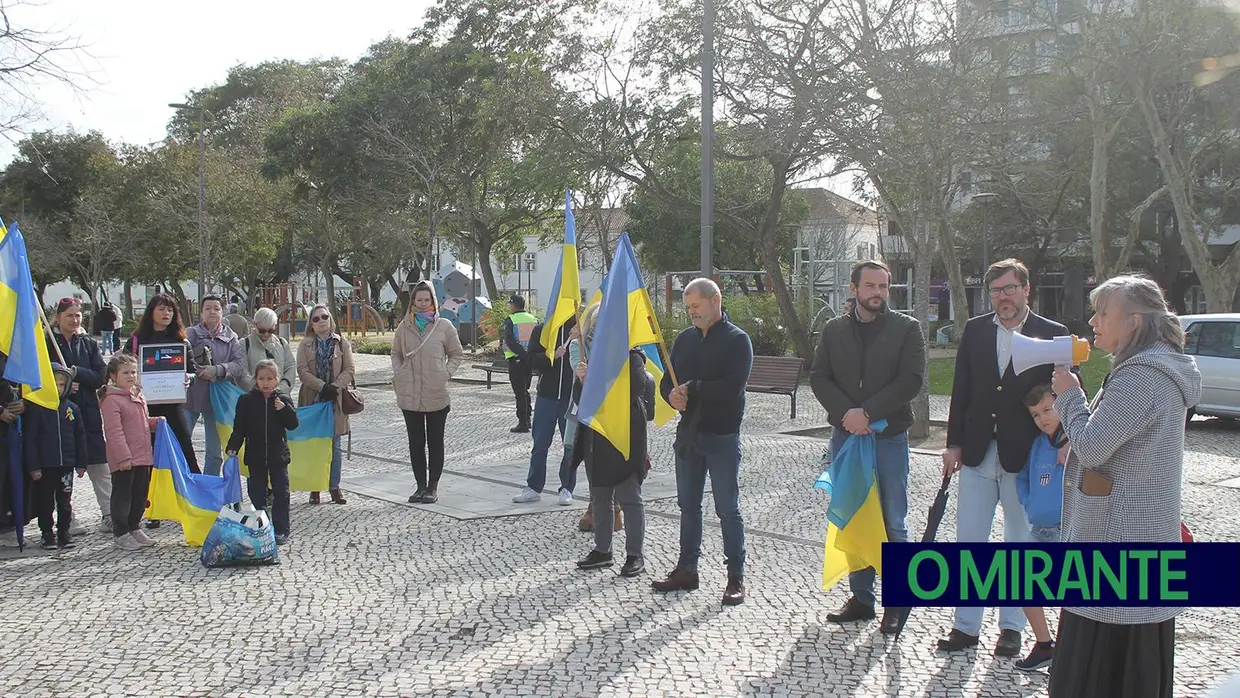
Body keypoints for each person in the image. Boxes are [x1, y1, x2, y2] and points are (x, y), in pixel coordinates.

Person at [1047, 275, 1200, 698]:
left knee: (1101, 675)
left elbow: (1094, 446)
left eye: (1102, 313)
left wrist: (1070, 398)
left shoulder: (1143, 377)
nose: (1093, 321)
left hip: (1117, 544)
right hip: (1131, 542)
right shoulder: (1149, 368)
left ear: (1133, 321)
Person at [938, 258, 1071, 656]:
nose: (1003, 297)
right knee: (970, 543)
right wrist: (954, 442)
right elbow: (961, 388)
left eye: (1010, 288)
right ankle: (966, 627)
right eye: (996, 290)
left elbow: (1066, 393)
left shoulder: (1052, 334)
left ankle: (1011, 628)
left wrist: (1066, 439)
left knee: (1018, 546)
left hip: (1028, 458)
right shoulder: (976, 330)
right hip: (978, 452)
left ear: (1026, 289)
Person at [810, 260, 925, 633]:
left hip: (888, 436)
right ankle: (861, 598)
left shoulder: (907, 329)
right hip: (846, 435)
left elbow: (911, 381)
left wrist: (869, 412)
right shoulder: (833, 330)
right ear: (854, 289)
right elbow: (819, 376)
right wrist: (847, 413)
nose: (878, 293)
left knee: (893, 519)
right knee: (854, 512)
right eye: (871, 286)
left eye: (884, 286)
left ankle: (897, 601)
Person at [653, 278, 752, 606]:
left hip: (722, 436)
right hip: (689, 436)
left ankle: (735, 576)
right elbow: (670, 378)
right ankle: (687, 569)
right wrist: (671, 395)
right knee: (688, 507)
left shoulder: (738, 341)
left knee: (727, 508)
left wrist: (693, 388)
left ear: (715, 301)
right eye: (688, 307)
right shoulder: (684, 340)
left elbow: (732, 387)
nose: (691, 312)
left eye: (696, 306)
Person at [574, 303, 654, 578]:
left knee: (629, 498)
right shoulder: (591, 360)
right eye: (595, 327)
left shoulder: (633, 358)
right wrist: (581, 381)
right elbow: (580, 402)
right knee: (600, 496)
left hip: (624, 437)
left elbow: (628, 394)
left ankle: (634, 554)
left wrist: (595, 383)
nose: (598, 332)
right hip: (597, 437)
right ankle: (602, 550)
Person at [125, 293, 198, 528]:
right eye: (161, 309)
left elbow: (194, 371)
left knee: (186, 451)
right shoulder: (136, 340)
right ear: (151, 312)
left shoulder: (182, 341)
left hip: (174, 405)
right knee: (149, 459)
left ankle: (198, 502)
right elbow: (122, 370)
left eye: (170, 310)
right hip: (144, 408)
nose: (166, 314)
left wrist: (189, 378)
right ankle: (151, 510)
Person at [392, 281, 463, 505]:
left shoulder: (444, 326)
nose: (423, 304)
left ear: (433, 301)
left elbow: (456, 354)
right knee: (415, 442)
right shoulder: (404, 327)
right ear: (412, 301)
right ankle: (420, 486)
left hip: (435, 392)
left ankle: (433, 486)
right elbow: (395, 353)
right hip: (410, 394)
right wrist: (400, 372)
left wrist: (445, 374)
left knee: (435, 441)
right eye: (419, 300)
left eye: (427, 299)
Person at [1013, 383, 1066, 672]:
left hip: (1066, 529)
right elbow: (1022, 478)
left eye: (1047, 409)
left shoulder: (1077, 440)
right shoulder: (1037, 445)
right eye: (1035, 415)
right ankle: (1044, 644)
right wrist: (1030, 500)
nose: (1043, 418)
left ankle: (1071, 650)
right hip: (1040, 529)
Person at [49, 297, 111, 535]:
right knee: (62, 466)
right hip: (59, 414)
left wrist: (76, 374)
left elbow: (100, 375)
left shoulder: (87, 343)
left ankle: (108, 513)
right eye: (69, 315)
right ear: (58, 317)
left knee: (99, 464)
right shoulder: (47, 342)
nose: (74, 320)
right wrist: (62, 383)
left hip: (88, 411)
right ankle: (67, 517)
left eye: (78, 315)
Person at [226, 359, 300, 545]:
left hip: (278, 455)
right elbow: (239, 427)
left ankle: (281, 529)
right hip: (256, 454)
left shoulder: (282, 399)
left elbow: (293, 424)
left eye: (269, 378)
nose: (265, 383)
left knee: (281, 493)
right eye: (261, 379)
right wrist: (233, 446)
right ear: (256, 380)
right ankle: (260, 526)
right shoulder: (246, 401)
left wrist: (284, 410)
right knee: (256, 493)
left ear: (276, 380)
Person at [98, 353, 162, 551]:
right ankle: (121, 532)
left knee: (139, 496)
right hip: (125, 460)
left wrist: (155, 423)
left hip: (143, 456)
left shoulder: (138, 395)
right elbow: (114, 432)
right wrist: (124, 457)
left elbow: (142, 423)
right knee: (123, 496)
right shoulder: (111, 400)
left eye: (134, 372)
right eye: (125, 372)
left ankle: (134, 526)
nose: (131, 376)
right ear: (113, 376)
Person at [512, 315, 578, 505]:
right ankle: (533, 487)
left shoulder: (582, 330)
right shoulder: (542, 330)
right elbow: (531, 360)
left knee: (570, 447)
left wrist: (579, 341)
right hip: (546, 397)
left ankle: (567, 488)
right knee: (540, 444)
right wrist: (552, 356)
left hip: (571, 398)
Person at [297, 303, 355, 505]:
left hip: (335, 400)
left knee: (334, 444)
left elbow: (349, 369)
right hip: (313, 400)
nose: (321, 321)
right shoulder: (304, 345)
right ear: (311, 324)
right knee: (315, 444)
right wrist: (322, 387)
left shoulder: (342, 343)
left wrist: (335, 387)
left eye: (324, 317)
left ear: (330, 320)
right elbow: (302, 372)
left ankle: (334, 486)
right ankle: (315, 488)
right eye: (316, 319)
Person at [23, 363, 86, 550]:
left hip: (66, 465)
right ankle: (47, 534)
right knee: (45, 502)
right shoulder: (37, 410)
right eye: (54, 384)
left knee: (65, 503)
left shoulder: (72, 409)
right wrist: (33, 466)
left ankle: (64, 532)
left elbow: (80, 437)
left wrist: (81, 463)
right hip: (45, 466)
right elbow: (30, 440)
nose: (58, 388)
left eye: (61, 384)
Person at [185, 294, 246, 476]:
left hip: (217, 402)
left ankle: (209, 490)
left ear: (222, 312)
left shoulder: (231, 336)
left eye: (216, 308)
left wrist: (218, 370)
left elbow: (239, 365)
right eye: (208, 308)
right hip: (190, 398)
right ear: (201, 312)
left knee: (215, 453)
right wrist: (196, 372)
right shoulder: (190, 334)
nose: (212, 312)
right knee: (181, 446)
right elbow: (180, 359)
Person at [501, 295, 538, 433]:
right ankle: (528, 419)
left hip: (516, 359)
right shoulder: (534, 319)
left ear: (514, 305)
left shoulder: (510, 320)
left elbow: (510, 341)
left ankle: (522, 422)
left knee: (519, 392)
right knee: (525, 390)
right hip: (530, 360)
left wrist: (522, 354)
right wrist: (529, 356)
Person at [238, 307, 296, 394]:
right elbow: (242, 372)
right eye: (262, 330)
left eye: (270, 330)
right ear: (254, 325)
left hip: (279, 397)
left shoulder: (282, 343)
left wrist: (281, 389)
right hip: (254, 397)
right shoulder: (244, 344)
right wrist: (260, 388)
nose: (266, 334)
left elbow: (290, 368)